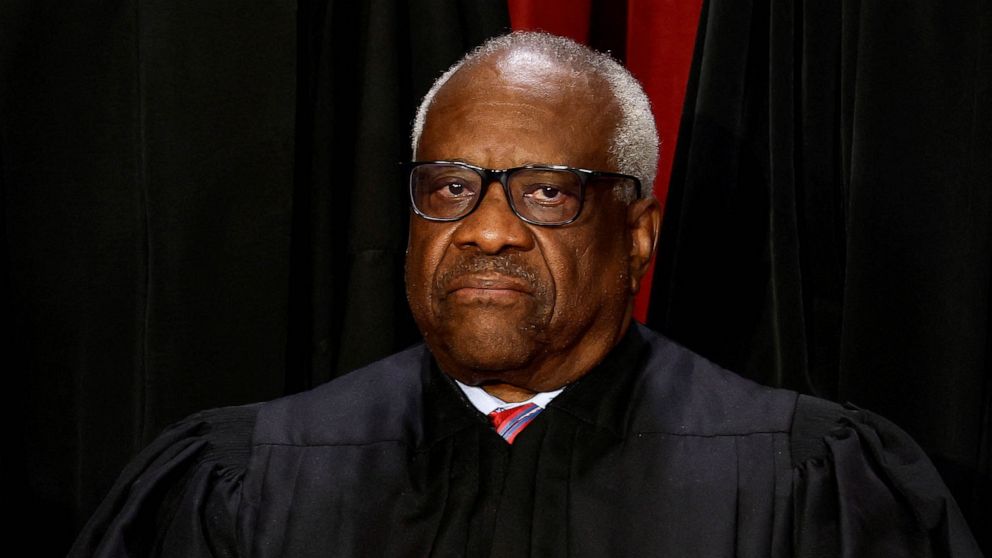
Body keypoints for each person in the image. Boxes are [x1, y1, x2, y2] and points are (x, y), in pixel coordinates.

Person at [70, 31, 982, 557]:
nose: (487, 228)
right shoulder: (251, 481)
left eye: (546, 190)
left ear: (638, 235)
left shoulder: (802, 484)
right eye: (450, 185)